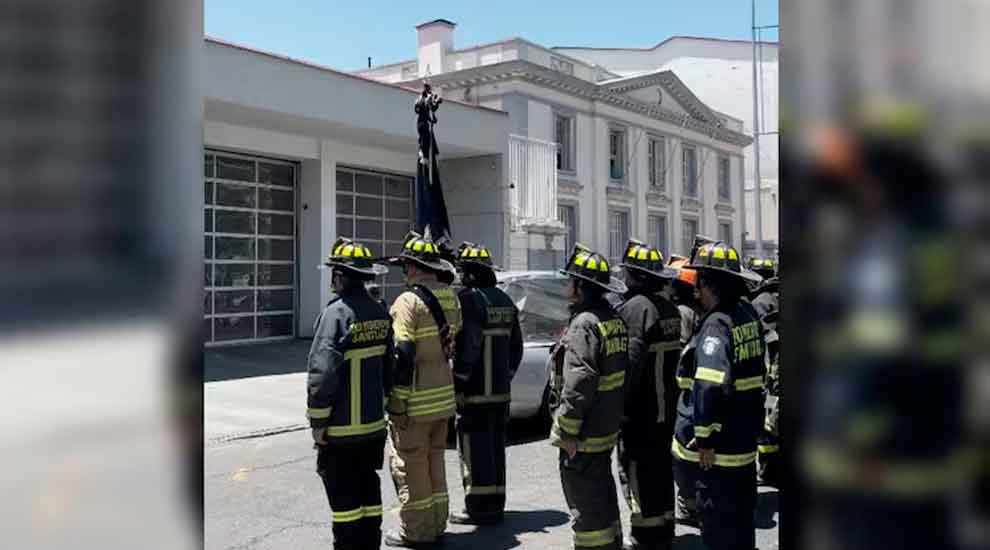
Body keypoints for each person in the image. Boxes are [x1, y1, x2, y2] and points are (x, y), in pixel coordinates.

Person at [671, 242, 766, 550]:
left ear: (708, 282)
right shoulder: (746, 313)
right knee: (740, 529)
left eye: (698, 276)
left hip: (719, 454)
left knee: (718, 531)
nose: (694, 283)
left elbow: (709, 384)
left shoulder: (716, 325)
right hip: (744, 445)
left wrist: (705, 438)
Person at [308, 237, 394, 550]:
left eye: (334, 272)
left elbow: (322, 373)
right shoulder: (380, 313)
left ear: (340, 277)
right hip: (372, 428)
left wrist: (318, 422)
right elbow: (390, 366)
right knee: (369, 492)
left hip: (341, 431)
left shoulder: (336, 315)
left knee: (344, 504)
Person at [384, 231, 462, 548]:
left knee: (410, 467)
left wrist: (398, 402)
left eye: (405, 266)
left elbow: (403, 352)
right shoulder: (450, 295)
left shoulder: (408, 301)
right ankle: (437, 524)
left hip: (415, 401)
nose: (404, 272)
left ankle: (416, 532)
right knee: (435, 465)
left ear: (413, 267)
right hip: (443, 397)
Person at [548, 243, 629, 550]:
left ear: (581, 287)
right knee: (602, 491)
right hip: (606, 426)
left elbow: (579, 381)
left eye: (571, 280)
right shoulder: (612, 318)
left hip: (584, 432)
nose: (567, 285)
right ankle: (612, 544)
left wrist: (566, 430)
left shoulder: (585, 324)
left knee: (585, 501)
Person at [449, 241, 524, 525]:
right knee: (495, 450)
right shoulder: (505, 300)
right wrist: (506, 377)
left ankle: (478, 508)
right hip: (500, 394)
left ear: (469, 273)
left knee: (474, 451)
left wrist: (460, 381)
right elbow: (517, 347)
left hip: (475, 394)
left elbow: (468, 345)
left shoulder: (470, 300)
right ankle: (495, 504)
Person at [615, 240, 682, 550]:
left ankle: (646, 534)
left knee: (638, 471)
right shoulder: (668, 307)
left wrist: (619, 408)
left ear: (636, 276)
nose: (624, 277)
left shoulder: (634, 309)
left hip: (641, 411)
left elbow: (630, 364)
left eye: (628, 272)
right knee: (660, 469)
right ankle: (665, 527)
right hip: (666, 408)